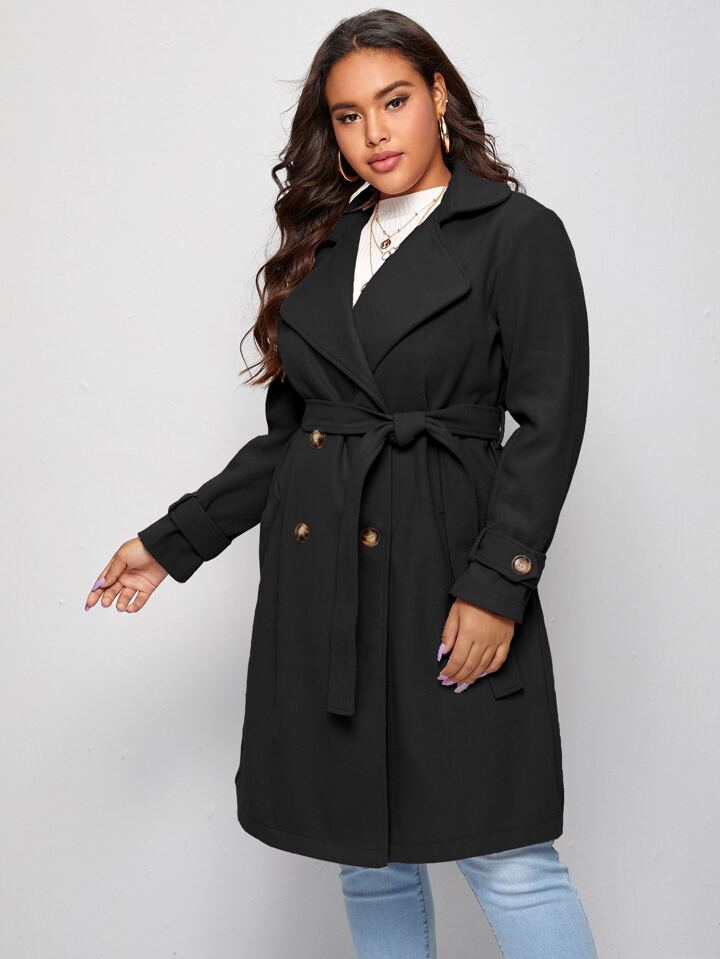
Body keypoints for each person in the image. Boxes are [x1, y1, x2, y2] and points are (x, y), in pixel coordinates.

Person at [85, 10, 599, 958]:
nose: (375, 133)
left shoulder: (516, 233)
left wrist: (499, 586)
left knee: (508, 855)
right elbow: (296, 440)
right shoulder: (326, 242)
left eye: (394, 102)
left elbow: (550, 425)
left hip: (448, 570)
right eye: (350, 114)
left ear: (438, 95)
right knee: (367, 859)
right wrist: (171, 540)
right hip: (326, 587)